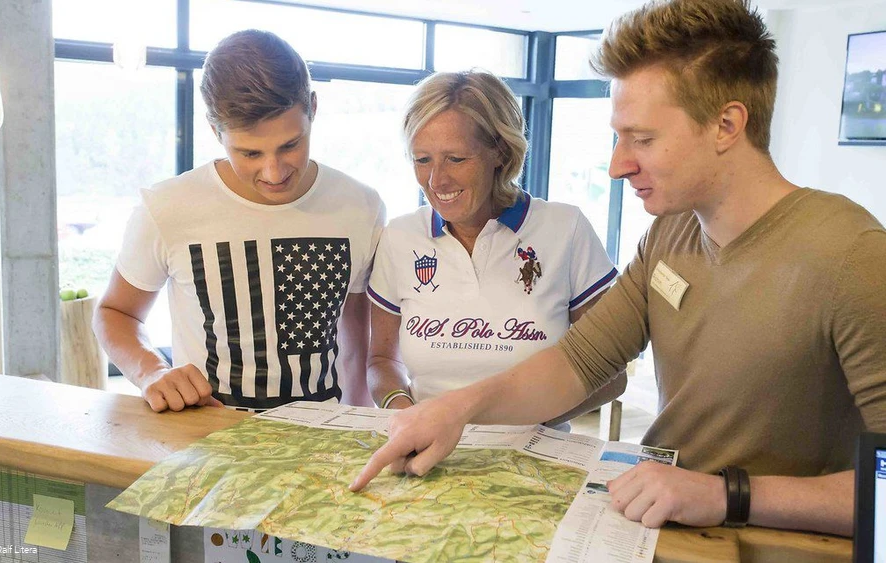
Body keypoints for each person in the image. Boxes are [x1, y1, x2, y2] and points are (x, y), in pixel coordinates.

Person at [351, 0, 886, 538]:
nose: (616, 165)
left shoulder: (852, 255)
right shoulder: (669, 236)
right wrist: (453, 411)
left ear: (726, 125)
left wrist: (728, 494)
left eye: (642, 138)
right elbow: (579, 363)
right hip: (666, 530)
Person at [94, 30, 385, 413]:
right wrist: (151, 371)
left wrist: (361, 423)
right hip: (203, 444)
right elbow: (115, 313)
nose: (274, 170)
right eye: (249, 152)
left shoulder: (360, 206)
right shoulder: (167, 207)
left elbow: (357, 342)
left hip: (323, 445)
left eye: (290, 145)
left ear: (313, 108)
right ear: (216, 131)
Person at [365, 70, 625, 421]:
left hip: (532, 454)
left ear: (500, 151)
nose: (436, 180)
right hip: (423, 451)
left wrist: (529, 422)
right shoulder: (399, 238)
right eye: (422, 159)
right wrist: (405, 413)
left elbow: (611, 372)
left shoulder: (566, 229)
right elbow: (383, 360)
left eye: (455, 159)